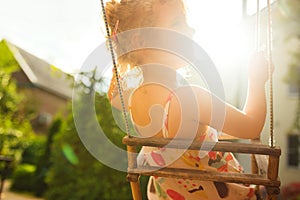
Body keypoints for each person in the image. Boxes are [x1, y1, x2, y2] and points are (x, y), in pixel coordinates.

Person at [105, 0, 271, 199]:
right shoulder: (191, 99)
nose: (190, 29)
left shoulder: (133, 99)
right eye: (177, 23)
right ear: (141, 42)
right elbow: (251, 126)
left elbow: (114, 97)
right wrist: (257, 80)